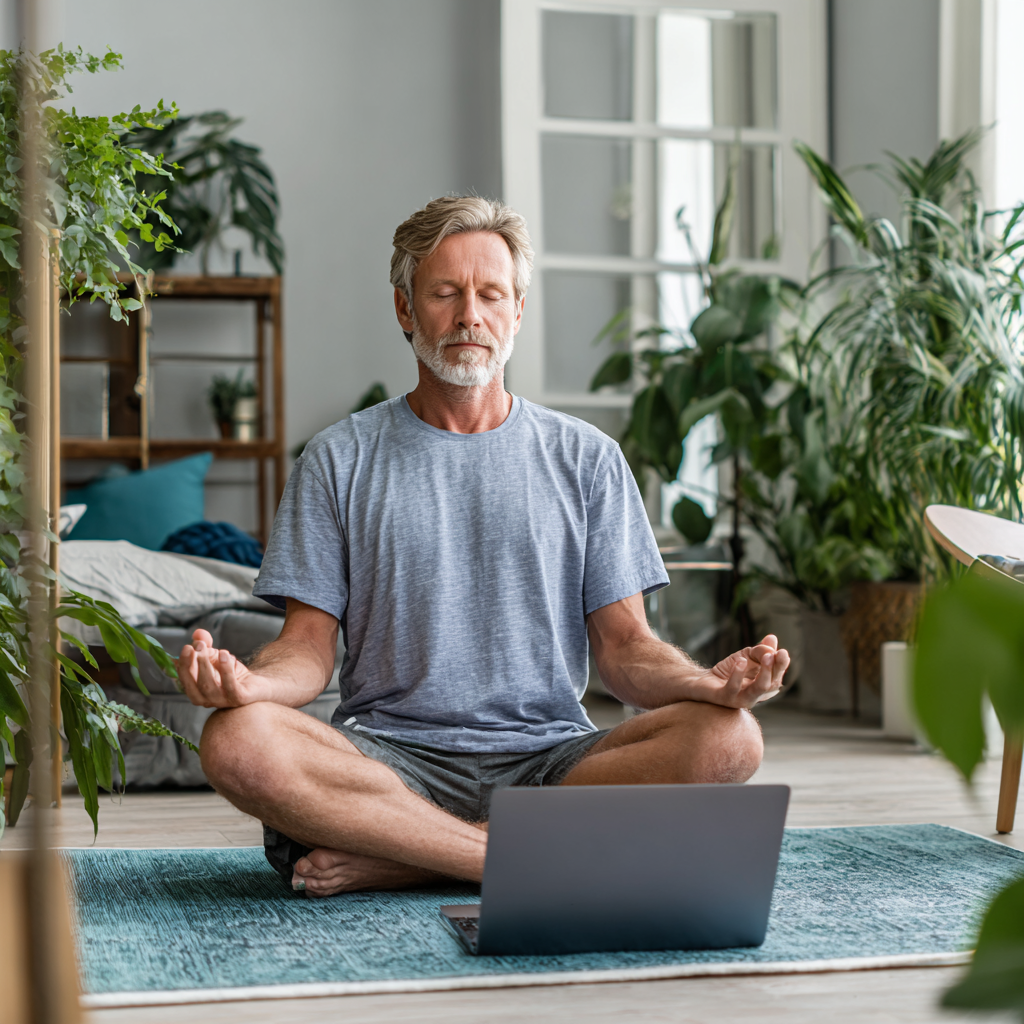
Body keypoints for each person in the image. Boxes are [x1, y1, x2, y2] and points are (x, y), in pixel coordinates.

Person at [177, 196, 790, 898]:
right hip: (388, 762)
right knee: (236, 740)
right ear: (407, 310)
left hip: (551, 763)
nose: (470, 315)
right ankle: (515, 858)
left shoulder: (587, 458)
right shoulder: (337, 459)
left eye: (490, 294)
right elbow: (308, 649)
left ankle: (411, 856)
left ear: (517, 312)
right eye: (444, 292)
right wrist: (251, 685)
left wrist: (707, 684)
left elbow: (625, 652)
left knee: (732, 738)